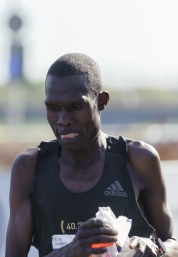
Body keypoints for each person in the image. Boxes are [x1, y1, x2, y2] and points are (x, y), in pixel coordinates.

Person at [5, 53, 178, 257]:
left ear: (102, 101)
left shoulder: (139, 160)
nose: (63, 120)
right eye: (53, 108)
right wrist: (73, 250)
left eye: (76, 106)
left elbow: (171, 243)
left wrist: (157, 249)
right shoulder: (29, 167)